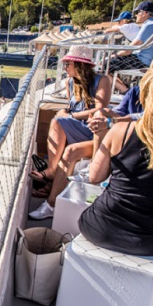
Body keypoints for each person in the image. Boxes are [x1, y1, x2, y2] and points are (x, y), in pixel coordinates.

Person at [79, 60, 153, 256]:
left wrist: (100, 135)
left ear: (145, 96)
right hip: (149, 240)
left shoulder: (121, 131)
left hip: (99, 228)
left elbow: (94, 177)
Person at [29, 45, 110, 219]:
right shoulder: (70, 83)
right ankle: (51, 180)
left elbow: (100, 109)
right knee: (59, 123)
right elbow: (72, 107)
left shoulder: (103, 80)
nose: (65, 68)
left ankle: (51, 194)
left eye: (68, 64)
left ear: (79, 65)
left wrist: (70, 115)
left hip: (97, 134)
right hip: (78, 129)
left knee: (59, 123)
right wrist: (68, 114)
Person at [108, 1, 153, 93]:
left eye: (137, 12)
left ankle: (126, 92)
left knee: (103, 66)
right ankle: (124, 88)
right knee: (110, 63)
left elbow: (129, 49)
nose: (136, 15)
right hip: (148, 58)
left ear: (144, 13)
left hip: (142, 61)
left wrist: (116, 54)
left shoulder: (149, 25)